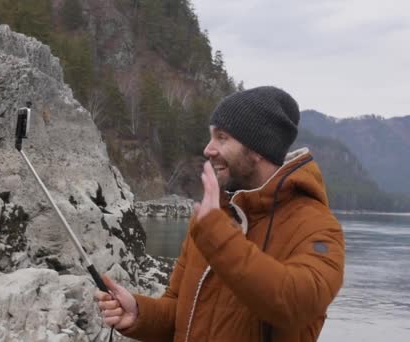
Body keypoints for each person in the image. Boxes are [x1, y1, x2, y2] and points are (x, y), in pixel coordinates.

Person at [95, 86, 345, 342]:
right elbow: (179, 310)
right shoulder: (213, 217)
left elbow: (296, 305)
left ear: (258, 148)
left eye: (222, 138)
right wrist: (139, 313)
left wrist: (217, 233)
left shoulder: (318, 227)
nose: (208, 149)